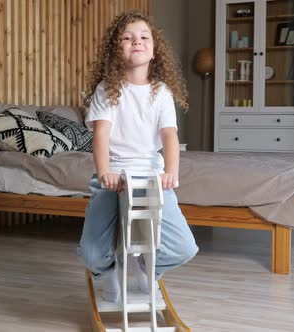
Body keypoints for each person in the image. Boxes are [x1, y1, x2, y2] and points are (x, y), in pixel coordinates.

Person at [77, 11, 198, 302]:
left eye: (144, 37)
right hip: (114, 175)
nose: (136, 42)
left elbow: (170, 136)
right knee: (91, 253)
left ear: (154, 49)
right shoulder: (107, 90)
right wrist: (105, 172)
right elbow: (101, 135)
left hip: (150, 177)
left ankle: (148, 268)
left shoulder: (162, 93)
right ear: (116, 49)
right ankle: (106, 273)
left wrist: (171, 171)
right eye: (128, 37)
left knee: (184, 247)